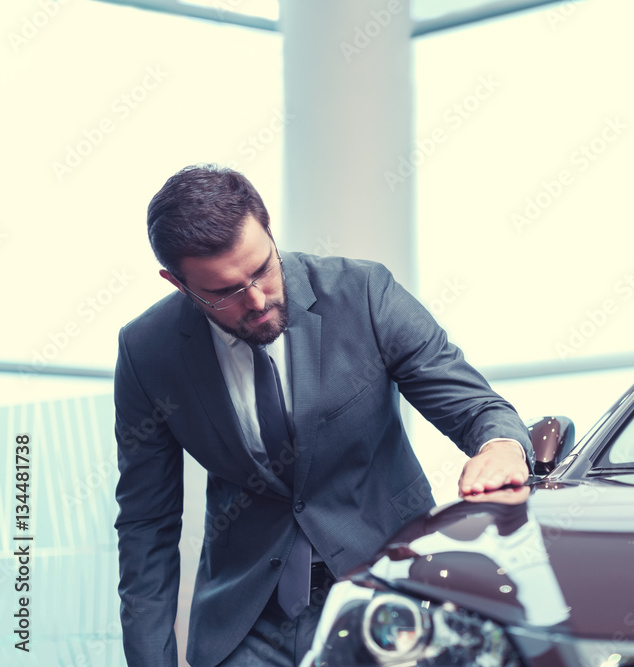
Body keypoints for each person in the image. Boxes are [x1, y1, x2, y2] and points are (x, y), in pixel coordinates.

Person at [114, 164, 533, 666]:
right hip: (245, 621)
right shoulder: (147, 351)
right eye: (226, 292)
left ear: (269, 231)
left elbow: (476, 408)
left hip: (388, 596)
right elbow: (146, 526)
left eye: (262, 269)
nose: (257, 299)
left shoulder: (364, 294)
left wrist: (502, 445)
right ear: (178, 284)